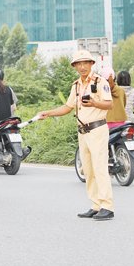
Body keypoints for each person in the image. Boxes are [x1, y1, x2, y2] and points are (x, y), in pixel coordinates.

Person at [36, 50, 114, 221]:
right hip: (83, 132)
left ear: (91, 63)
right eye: (78, 64)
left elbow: (109, 104)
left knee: (100, 168)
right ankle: (95, 205)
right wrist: (48, 113)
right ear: (75, 66)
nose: (82, 66)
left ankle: (107, 206)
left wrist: (94, 102)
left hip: (97, 129)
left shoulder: (100, 82)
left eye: (85, 62)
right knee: (88, 169)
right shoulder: (76, 85)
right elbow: (67, 107)